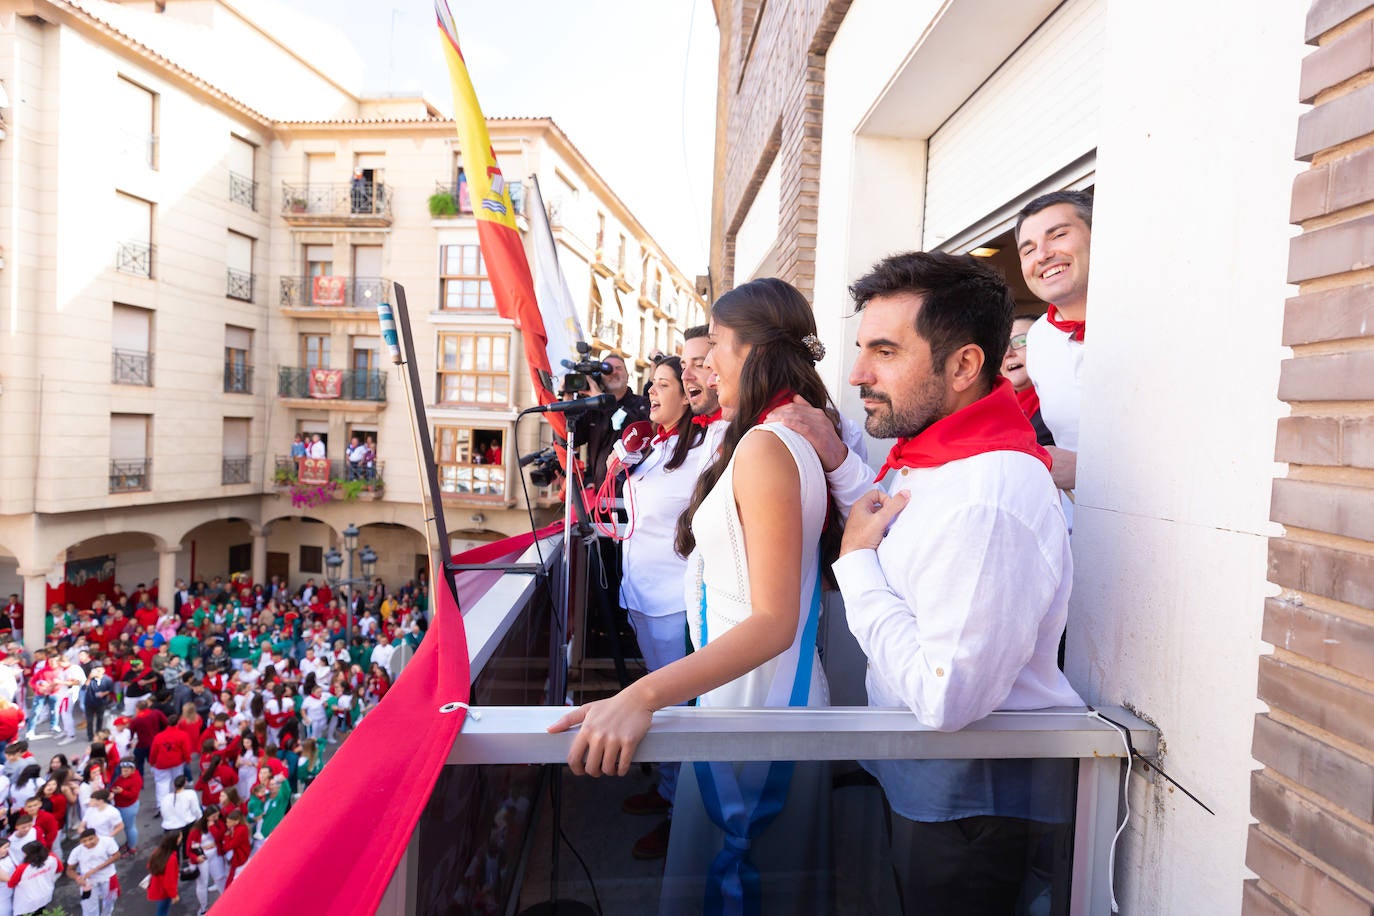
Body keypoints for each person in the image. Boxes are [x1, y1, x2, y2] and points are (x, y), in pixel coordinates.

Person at [779, 251, 1084, 912]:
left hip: (967, 811)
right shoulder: (944, 461)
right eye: (863, 349)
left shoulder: (987, 493)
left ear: (965, 365)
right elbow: (916, 543)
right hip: (933, 788)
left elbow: (947, 701)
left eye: (885, 351)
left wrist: (856, 562)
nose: (858, 373)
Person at [552, 277, 841, 913]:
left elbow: (772, 620)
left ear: (756, 351)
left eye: (717, 346)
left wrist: (641, 695)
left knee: (739, 885)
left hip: (758, 702)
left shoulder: (769, 446)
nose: (703, 366)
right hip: (747, 692)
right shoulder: (771, 438)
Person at [613, 355, 707, 859]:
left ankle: (680, 819)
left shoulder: (703, 447)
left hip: (673, 601)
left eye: (663, 385)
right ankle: (669, 791)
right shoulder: (651, 446)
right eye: (651, 385)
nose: (653, 392)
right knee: (660, 706)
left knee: (672, 710)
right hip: (640, 595)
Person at [1017, 189, 1091, 497]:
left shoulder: (1158, 319)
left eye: (1058, 235)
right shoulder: (1038, 338)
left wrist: (1084, 471)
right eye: (1028, 249)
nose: (1043, 255)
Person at [574, 353, 650, 488]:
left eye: (619, 368)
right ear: (600, 378)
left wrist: (604, 403)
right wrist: (567, 400)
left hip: (629, 497)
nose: (613, 372)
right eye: (607, 369)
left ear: (628, 375)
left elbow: (632, 427)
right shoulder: (593, 409)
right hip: (599, 497)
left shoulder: (643, 405)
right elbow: (571, 439)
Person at [65, 828, 121, 916]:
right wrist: (77, 878)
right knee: (88, 906)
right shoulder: (77, 851)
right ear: (80, 841)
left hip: (108, 877)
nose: (88, 843)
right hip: (88, 882)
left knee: (110, 901)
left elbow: (117, 855)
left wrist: (96, 869)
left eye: (91, 839)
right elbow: (69, 870)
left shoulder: (107, 841)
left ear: (96, 837)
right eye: (84, 841)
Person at [7, 842, 60, 916]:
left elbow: (11, 884)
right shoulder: (52, 857)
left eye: (25, 853)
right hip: (45, 893)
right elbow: (59, 869)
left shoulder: (23, 868)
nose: (24, 855)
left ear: (31, 854)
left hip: (28, 901)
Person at [110, 760, 143, 856]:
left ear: (132, 770)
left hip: (128, 807)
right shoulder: (122, 777)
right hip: (120, 805)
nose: (123, 773)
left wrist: (121, 792)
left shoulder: (136, 779)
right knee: (127, 827)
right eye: (122, 770)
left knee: (129, 827)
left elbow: (133, 795)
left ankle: (132, 848)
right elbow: (115, 784)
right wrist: (113, 789)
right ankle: (129, 843)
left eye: (126, 771)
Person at [145, 832, 181, 916]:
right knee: (162, 912)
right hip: (164, 892)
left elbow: (149, 865)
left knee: (161, 910)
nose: (181, 839)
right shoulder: (171, 858)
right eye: (179, 837)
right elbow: (169, 881)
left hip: (157, 887)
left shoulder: (157, 851)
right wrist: (174, 895)